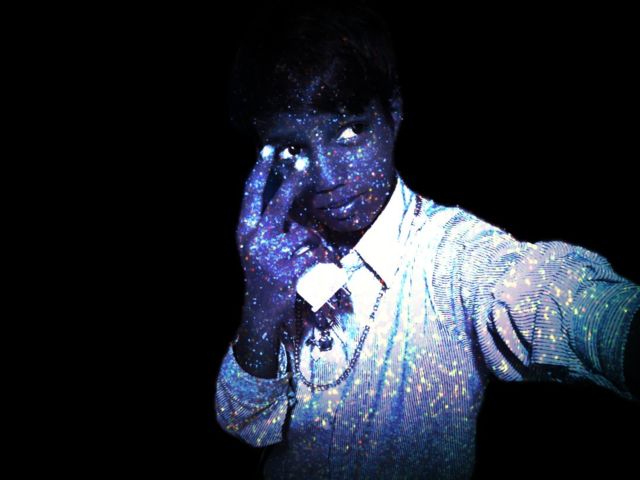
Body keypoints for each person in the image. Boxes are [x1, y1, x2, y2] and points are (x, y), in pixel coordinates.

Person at [215, 3, 639, 478]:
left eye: (350, 131)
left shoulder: (450, 255)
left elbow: (550, 295)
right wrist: (263, 305)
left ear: (394, 111)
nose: (328, 177)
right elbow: (248, 424)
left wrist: (620, 326)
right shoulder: (282, 253)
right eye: (294, 148)